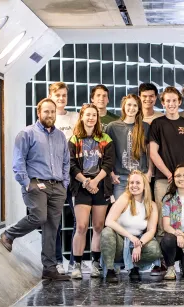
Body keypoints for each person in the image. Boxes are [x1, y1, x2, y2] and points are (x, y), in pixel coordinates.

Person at [0, 98, 70, 281]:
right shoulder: (27, 133)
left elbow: (66, 161)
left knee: (52, 228)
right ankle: (8, 234)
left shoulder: (60, 136)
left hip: (58, 187)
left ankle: (49, 268)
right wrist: (26, 182)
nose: (49, 115)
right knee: (39, 217)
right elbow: (18, 161)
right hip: (37, 184)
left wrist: (65, 184)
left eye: (52, 112)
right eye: (46, 112)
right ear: (39, 113)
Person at [149, 86, 184, 275]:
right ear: (163, 103)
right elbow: (153, 152)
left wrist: (182, 174)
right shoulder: (157, 124)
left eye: (174, 100)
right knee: (164, 223)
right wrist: (170, 174)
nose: (171, 104)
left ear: (180, 102)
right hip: (163, 179)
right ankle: (164, 262)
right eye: (167, 101)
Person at [68, 104, 115, 279]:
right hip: (81, 186)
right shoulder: (74, 140)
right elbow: (71, 164)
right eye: (88, 115)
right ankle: (77, 265)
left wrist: (95, 180)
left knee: (98, 227)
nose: (91, 118)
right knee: (80, 226)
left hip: (100, 186)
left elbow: (109, 163)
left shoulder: (106, 139)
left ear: (97, 118)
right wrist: (86, 181)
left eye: (94, 115)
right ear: (82, 116)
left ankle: (95, 264)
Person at [101, 170, 161, 282]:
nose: (134, 185)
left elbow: (151, 230)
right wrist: (130, 236)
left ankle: (134, 268)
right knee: (107, 232)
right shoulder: (125, 198)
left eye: (138, 183)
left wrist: (140, 244)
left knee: (155, 249)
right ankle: (110, 270)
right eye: (131, 183)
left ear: (144, 186)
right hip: (119, 241)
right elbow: (108, 221)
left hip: (136, 242)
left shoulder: (151, 205)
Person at [48, 81, 79, 274]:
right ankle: (58, 260)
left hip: (74, 176)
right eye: (57, 95)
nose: (61, 98)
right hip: (55, 179)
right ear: (51, 96)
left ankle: (74, 261)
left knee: (80, 220)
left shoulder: (75, 117)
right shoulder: (48, 119)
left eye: (64, 95)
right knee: (55, 220)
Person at [106, 94, 152, 200]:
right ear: (123, 106)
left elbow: (150, 152)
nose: (131, 108)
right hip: (120, 179)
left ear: (139, 108)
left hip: (141, 177)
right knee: (121, 212)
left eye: (135, 105)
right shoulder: (112, 127)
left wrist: (149, 172)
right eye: (129, 105)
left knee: (140, 212)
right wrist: (111, 173)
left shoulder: (145, 127)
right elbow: (106, 154)